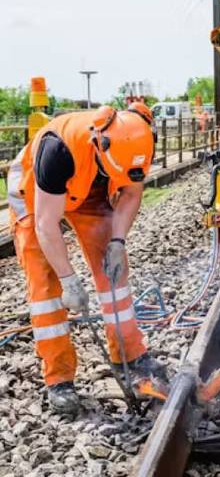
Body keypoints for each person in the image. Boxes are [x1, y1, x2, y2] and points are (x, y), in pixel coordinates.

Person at [7, 104, 165, 414]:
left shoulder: (135, 143)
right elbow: (46, 223)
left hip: (89, 189)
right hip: (33, 197)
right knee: (46, 287)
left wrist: (118, 241)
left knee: (114, 273)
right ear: (99, 146)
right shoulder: (57, 150)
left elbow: (131, 194)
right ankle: (59, 377)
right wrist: (68, 279)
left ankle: (129, 356)